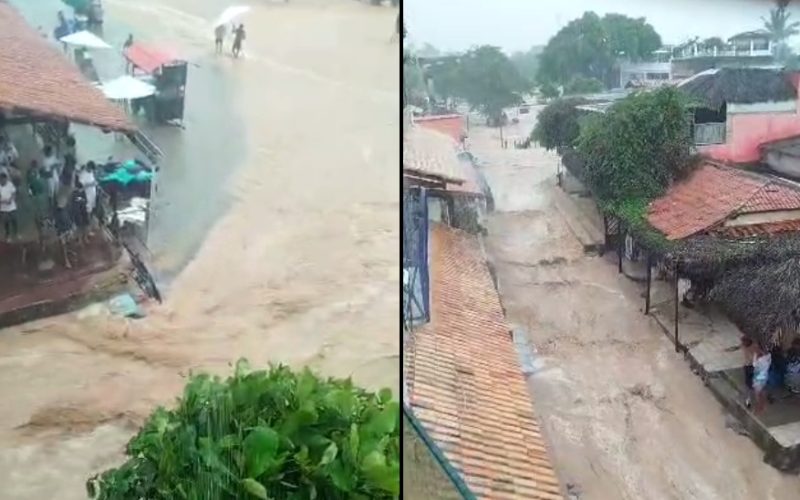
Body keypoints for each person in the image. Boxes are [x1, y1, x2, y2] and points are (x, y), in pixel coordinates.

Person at [753, 342, 772, 414]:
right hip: (763, 374)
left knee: (758, 392)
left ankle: (761, 406)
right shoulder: (767, 355)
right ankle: (762, 405)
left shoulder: (762, 357)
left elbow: (755, 364)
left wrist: (757, 356)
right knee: (761, 390)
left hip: (760, 375)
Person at [0, 172, 17, 241]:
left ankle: (15, 233)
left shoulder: (10, 184)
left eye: (4, 179)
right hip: (3, 207)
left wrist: (11, 199)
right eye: (1, 179)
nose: (3, 180)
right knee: (6, 222)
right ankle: (8, 235)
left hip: (11, 206)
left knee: (14, 220)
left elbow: (13, 193)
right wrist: (3, 201)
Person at [742, 336, 755, 408]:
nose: (743, 344)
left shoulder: (753, 348)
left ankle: (749, 399)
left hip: (752, 366)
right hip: (747, 366)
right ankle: (748, 399)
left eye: (744, 342)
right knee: (748, 383)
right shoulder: (744, 347)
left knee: (749, 383)